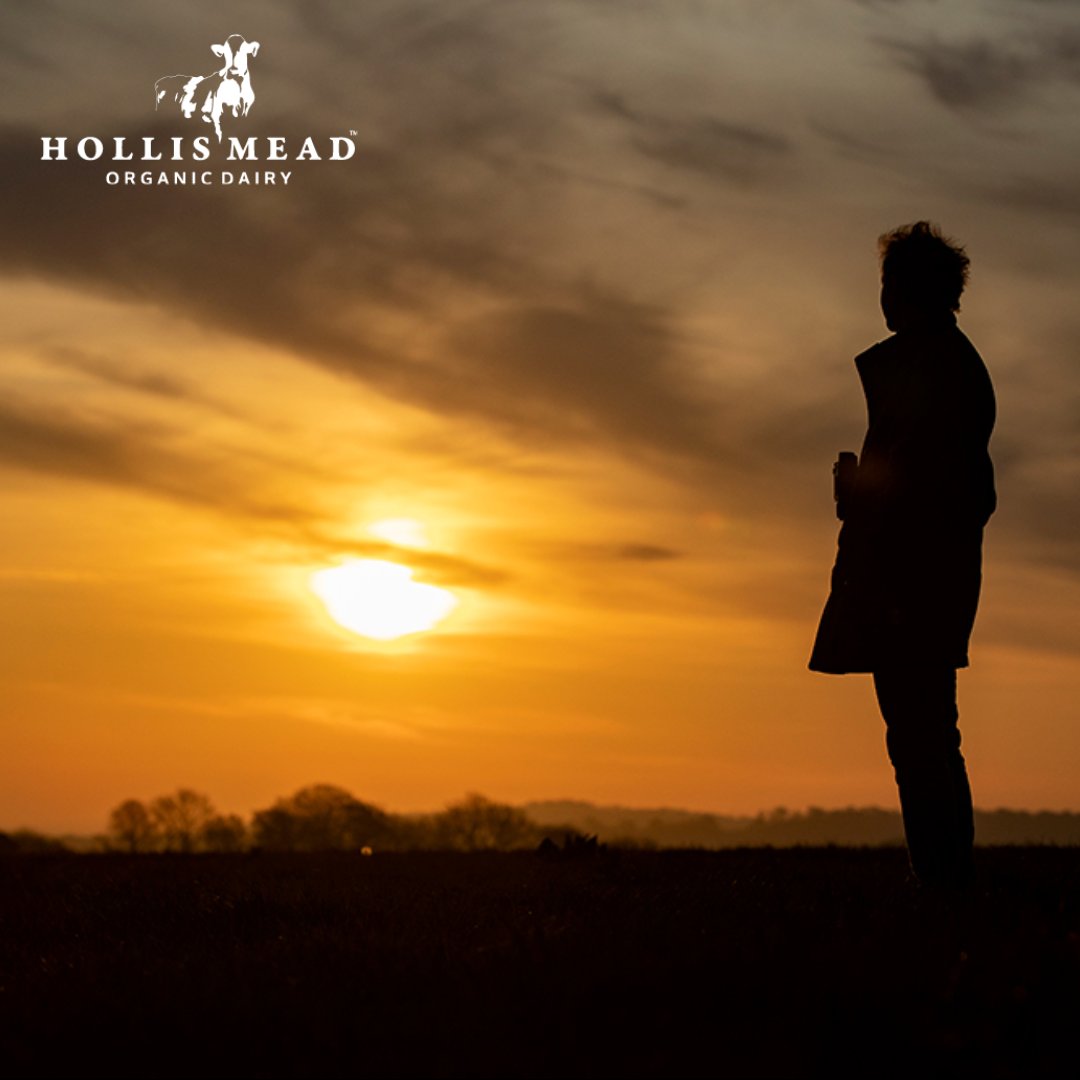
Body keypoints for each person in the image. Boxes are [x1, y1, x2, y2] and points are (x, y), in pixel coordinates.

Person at [809, 221, 996, 888]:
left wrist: (860, 494)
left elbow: (928, 489)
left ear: (910, 291)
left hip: (909, 582)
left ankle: (943, 881)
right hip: (924, 577)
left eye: (889, 284)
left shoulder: (932, 371)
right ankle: (948, 877)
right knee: (927, 731)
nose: (882, 299)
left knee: (918, 735)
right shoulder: (944, 366)